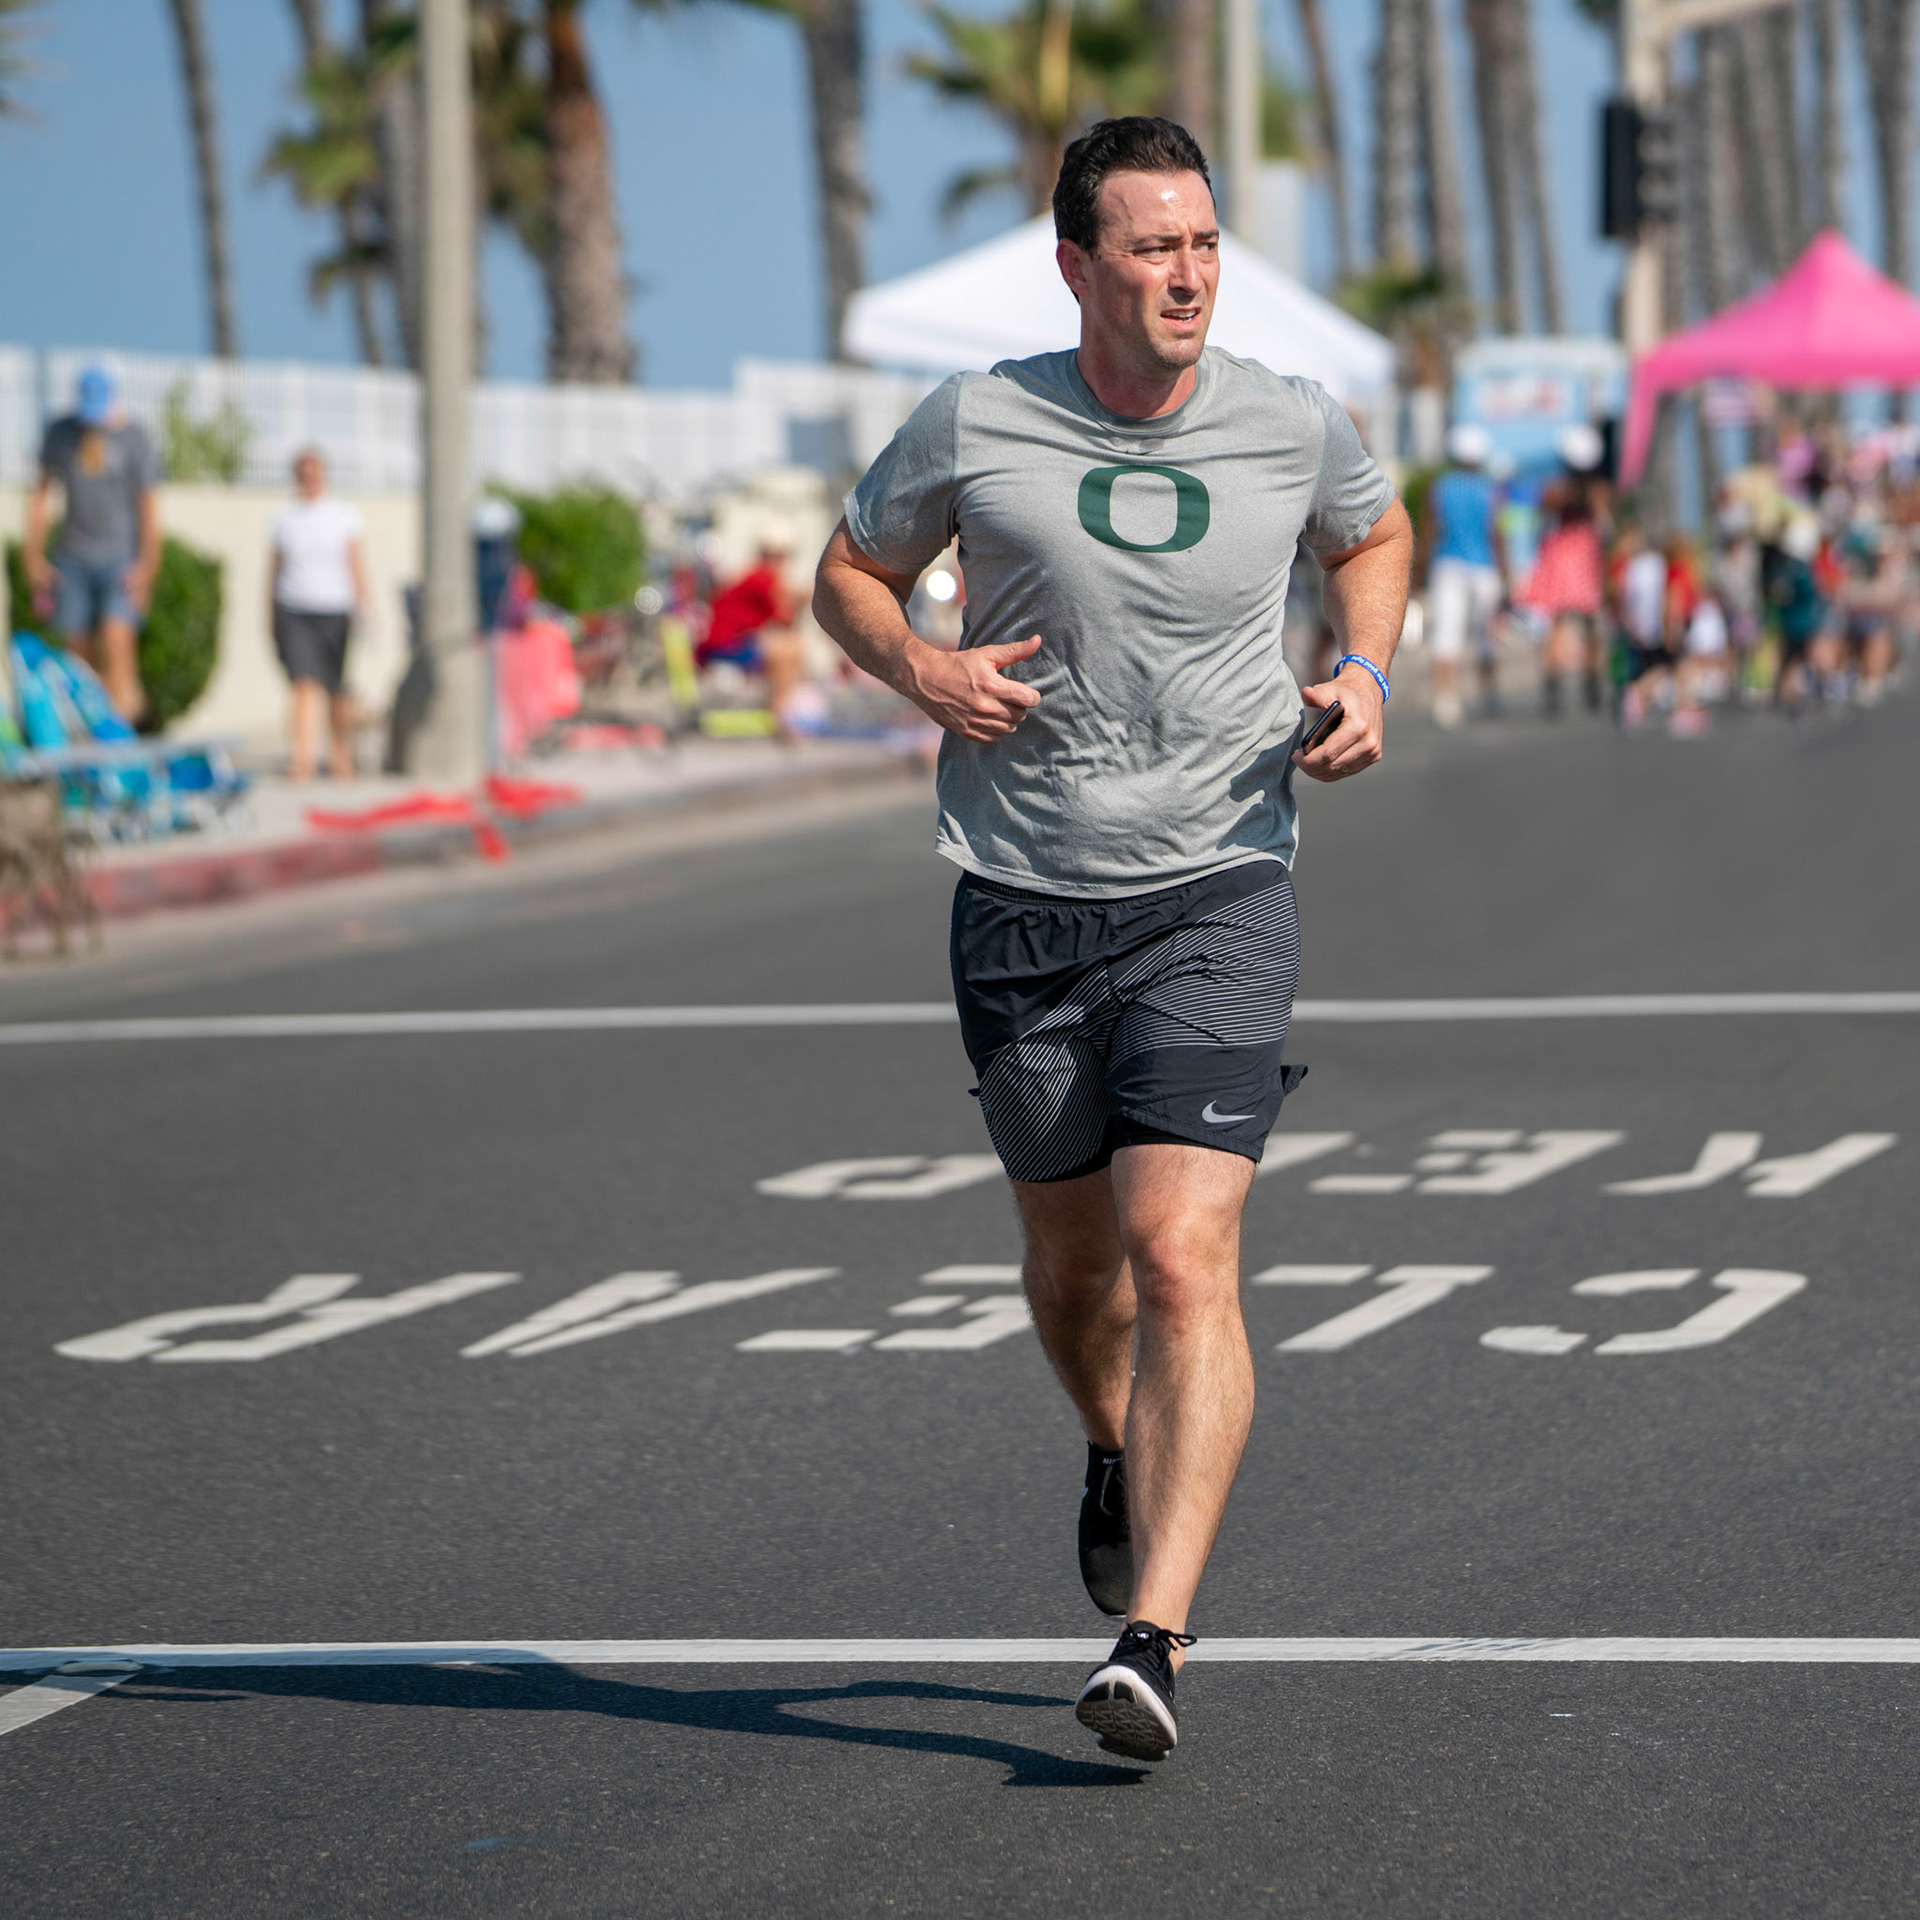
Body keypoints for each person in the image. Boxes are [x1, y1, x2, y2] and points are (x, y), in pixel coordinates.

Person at [813, 116, 1410, 1763]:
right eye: (1154, 247)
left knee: (1180, 1252)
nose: (1191, 273)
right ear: (1077, 265)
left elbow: (1373, 533)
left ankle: (1154, 1633)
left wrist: (1363, 674)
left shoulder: (1288, 422)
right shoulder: (980, 419)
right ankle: (1104, 1438)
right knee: (1078, 1273)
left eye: (1205, 242)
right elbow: (850, 573)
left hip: (1220, 884)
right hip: (1020, 900)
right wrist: (918, 668)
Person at [22, 362, 160, 724]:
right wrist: (33, 556)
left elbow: (147, 507)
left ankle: (119, 734)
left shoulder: (134, 437)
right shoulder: (61, 433)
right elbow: (41, 496)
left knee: (117, 644)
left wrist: (148, 566)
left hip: (121, 559)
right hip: (72, 559)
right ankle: (85, 733)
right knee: (76, 658)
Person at [270, 448, 367, 780]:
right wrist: (269, 614)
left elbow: (355, 564)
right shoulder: (284, 519)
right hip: (294, 609)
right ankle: (302, 759)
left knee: (337, 689)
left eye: (315, 474)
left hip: (335, 610)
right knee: (302, 685)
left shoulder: (344, 516)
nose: (309, 481)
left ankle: (341, 755)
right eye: (303, 475)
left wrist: (364, 607)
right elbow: (274, 571)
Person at [1423, 423, 1506, 728]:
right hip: (1483, 567)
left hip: (1447, 565)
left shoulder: (1441, 486)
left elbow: (1431, 531)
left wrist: (1419, 571)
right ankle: (1490, 694)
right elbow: (1496, 532)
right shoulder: (1489, 488)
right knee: (1486, 635)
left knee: (1446, 635)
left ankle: (1445, 700)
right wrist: (1506, 572)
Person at [697, 543, 804, 733]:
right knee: (788, 650)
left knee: (787, 649)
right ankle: (778, 714)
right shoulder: (762, 578)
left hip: (721, 643)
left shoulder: (753, 575)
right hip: (723, 646)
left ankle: (778, 713)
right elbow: (783, 617)